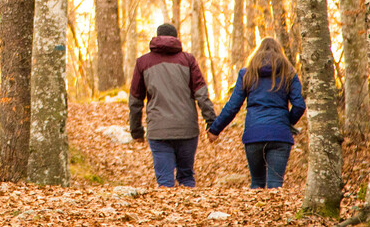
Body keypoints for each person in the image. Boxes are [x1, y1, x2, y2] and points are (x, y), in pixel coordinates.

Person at [207, 37, 306, 189]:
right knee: (275, 185)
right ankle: (274, 205)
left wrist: (215, 130)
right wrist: (286, 122)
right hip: (279, 135)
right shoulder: (288, 73)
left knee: (257, 184)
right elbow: (299, 105)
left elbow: (233, 106)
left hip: (254, 134)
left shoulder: (247, 73)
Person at [129, 23, 216, 188]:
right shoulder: (188, 60)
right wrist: (211, 123)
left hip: (158, 130)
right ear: (176, 38)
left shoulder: (143, 62)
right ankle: (189, 205)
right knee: (186, 177)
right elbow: (202, 94)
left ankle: (166, 204)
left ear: (157, 37)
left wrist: (136, 131)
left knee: (164, 182)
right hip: (186, 128)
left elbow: (135, 101)